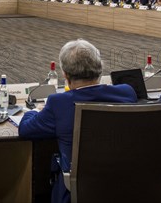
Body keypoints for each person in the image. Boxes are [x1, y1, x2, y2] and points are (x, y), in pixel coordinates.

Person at [19, 39, 137, 203]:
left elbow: (25, 129)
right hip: (127, 183)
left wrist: (34, 110)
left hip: (76, 190)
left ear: (65, 74)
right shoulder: (126, 93)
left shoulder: (58, 103)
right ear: (100, 69)